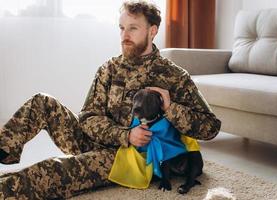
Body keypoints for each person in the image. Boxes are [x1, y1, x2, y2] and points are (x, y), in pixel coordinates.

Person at [0, 1, 221, 199]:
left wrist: (170, 108)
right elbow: (87, 117)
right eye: (122, 28)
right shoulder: (109, 68)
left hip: (125, 159)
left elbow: (210, 128)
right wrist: (125, 134)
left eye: (133, 28)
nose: (125, 35)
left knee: (50, 171)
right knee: (42, 102)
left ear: (152, 31)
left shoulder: (174, 76)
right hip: (98, 140)